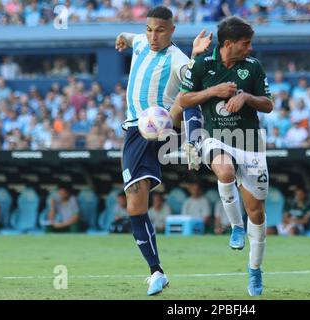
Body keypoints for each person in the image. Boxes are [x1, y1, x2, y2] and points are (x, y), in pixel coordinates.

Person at [114, 5, 211, 296]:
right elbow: (130, 38)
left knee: (185, 94)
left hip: (159, 125)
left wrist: (195, 58)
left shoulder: (177, 59)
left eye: (160, 30)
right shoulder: (142, 41)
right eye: (149, 29)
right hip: (135, 130)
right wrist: (121, 36)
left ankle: (194, 140)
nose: (153, 36)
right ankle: (156, 271)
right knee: (135, 205)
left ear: (172, 31)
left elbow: (192, 93)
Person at [179, 16, 273, 296]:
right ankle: (235, 226)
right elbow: (183, 100)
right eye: (246, 43)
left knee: (257, 213)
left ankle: (254, 270)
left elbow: (268, 104)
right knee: (225, 171)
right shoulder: (203, 65)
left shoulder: (253, 67)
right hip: (216, 138)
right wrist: (212, 91)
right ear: (228, 44)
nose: (250, 48)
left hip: (251, 144)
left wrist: (246, 97)